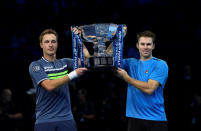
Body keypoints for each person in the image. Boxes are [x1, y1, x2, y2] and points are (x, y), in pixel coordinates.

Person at [29, 29, 87, 131]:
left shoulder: (65, 62)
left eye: (53, 41)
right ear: (41, 45)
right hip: (44, 120)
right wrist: (73, 74)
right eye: (47, 42)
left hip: (67, 119)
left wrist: (79, 39)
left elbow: (87, 61)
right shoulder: (36, 65)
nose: (50, 45)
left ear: (57, 44)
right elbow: (49, 86)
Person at [117, 30, 169, 131]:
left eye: (148, 44)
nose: (145, 47)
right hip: (134, 119)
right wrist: (118, 38)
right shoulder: (130, 63)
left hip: (156, 119)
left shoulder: (160, 64)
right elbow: (111, 60)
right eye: (142, 44)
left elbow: (149, 89)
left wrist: (126, 78)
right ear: (137, 45)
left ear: (153, 46)